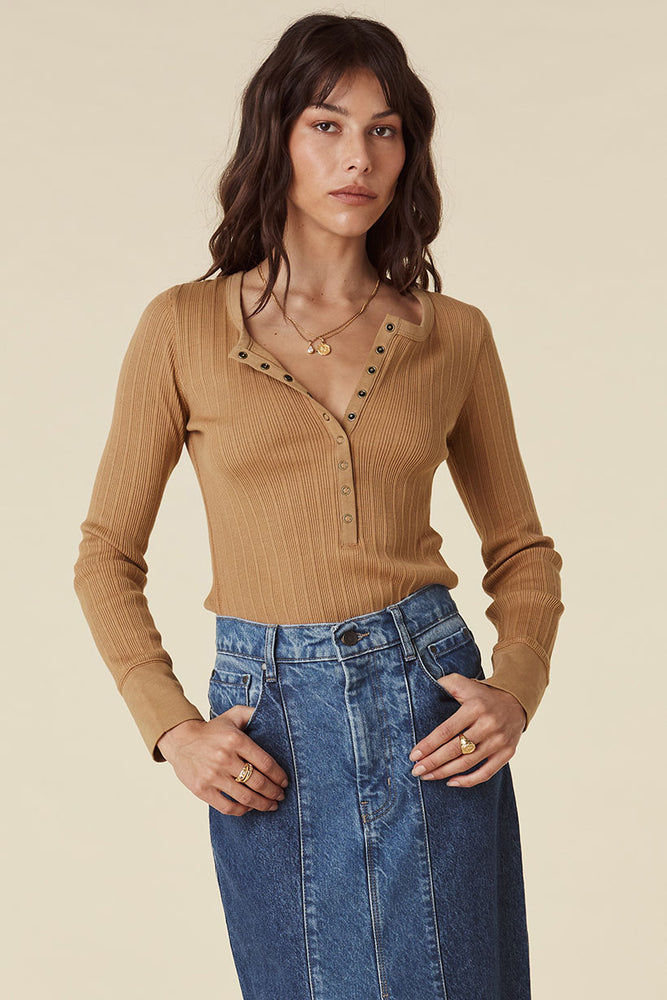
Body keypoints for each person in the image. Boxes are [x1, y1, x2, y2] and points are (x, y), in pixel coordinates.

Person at [73, 12, 564, 1000]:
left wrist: (515, 687)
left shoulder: (454, 335)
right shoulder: (182, 326)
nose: (357, 158)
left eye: (384, 131)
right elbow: (104, 556)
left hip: (428, 706)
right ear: (279, 137)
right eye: (327, 125)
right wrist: (171, 727)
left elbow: (521, 549)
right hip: (270, 731)